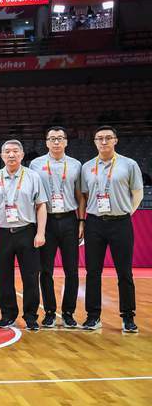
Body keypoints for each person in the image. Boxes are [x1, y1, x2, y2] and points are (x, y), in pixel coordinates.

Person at [81, 125, 143, 333]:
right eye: (100, 138)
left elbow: (138, 193)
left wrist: (126, 213)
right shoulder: (87, 167)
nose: (104, 141)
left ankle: (128, 317)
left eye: (108, 137)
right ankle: (93, 316)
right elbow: (84, 195)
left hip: (120, 223)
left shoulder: (129, 164)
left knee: (124, 272)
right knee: (92, 272)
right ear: (94, 142)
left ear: (116, 140)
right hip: (94, 223)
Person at [0, 140, 47, 331]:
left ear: (22, 155)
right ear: (2, 155)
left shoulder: (33, 177)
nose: (11, 155)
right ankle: (7, 315)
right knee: (4, 277)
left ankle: (31, 316)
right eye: (7, 151)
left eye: (15, 151)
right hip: (2, 233)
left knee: (31, 276)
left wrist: (40, 232)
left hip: (27, 231)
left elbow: (41, 205)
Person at [29, 126, 84, 328]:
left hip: (69, 219)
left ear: (66, 142)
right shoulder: (36, 164)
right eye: (52, 138)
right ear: (46, 142)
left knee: (72, 270)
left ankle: (68, 312)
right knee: (45, 270)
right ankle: (50, 312)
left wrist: (81, 221)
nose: (56, 142)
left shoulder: (76, 165)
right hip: (46, 221)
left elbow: (80, 196)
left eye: (60, 138)